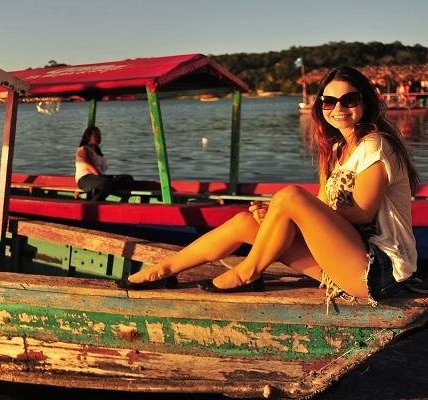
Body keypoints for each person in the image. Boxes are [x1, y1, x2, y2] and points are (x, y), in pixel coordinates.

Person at [117, 66, 419, 307]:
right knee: (246, 222)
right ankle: (164, 271)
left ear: (365, 102)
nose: (338, 108)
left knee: (289, 197)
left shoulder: (376, 145)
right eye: (329, 101)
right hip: (339, 263)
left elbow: (363, 214)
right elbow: (322, 207)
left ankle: (248, 272)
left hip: (378, 270)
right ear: (321, 107)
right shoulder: (337, 149)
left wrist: (288, 209)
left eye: (349, 100)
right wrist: (280, 217)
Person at [75, 126, 133, 201]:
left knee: (127, 178)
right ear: (88, 136)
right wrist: (100, 176)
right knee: (104, 183)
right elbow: (88, 165)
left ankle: (120, 200)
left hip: (99, 178)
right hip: (85, 179)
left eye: (99, 135)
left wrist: (108, 178)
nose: (98, 137)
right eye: (95, 135)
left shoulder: (97, 151)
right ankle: (94, 204)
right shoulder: (83, 149)